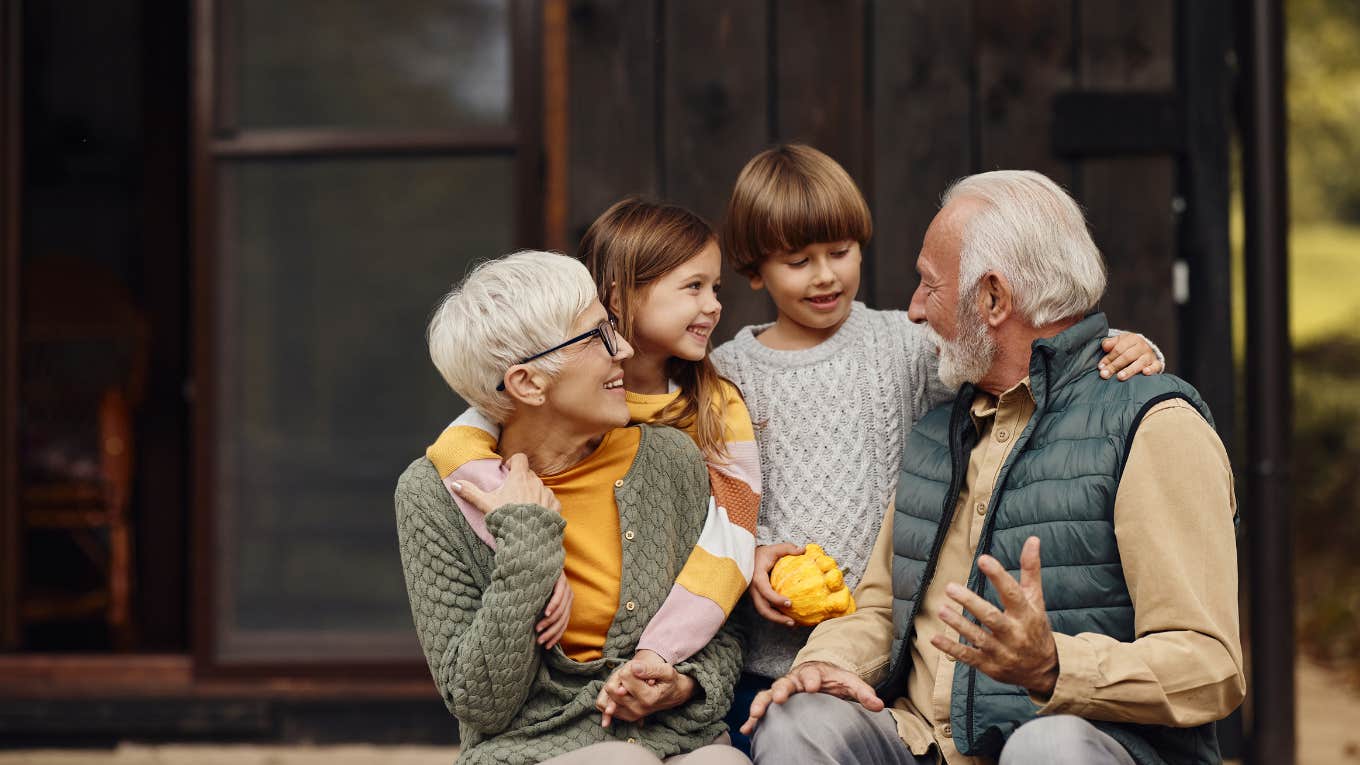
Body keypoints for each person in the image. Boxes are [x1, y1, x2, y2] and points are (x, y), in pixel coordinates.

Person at [740, 170, 1245, 765]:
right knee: (799, 721)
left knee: (1046, 746)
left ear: (994, 299)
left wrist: (1056, 666)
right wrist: (825, 665)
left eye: (929, 286)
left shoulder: (1154, 426)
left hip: (1078, 744)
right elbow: (880, 610)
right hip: (920, 744)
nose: (914, 310)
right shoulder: (937, 431)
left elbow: (1211, 666)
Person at [395, 251, 748, 765]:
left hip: (677, 740)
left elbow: (724, 623)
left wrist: (683, 684)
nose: (625, 348)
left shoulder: (670, 460)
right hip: (529, 752)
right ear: (528, 383)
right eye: (599, 336)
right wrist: (527, 544)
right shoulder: (432, 496)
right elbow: (480, 704)